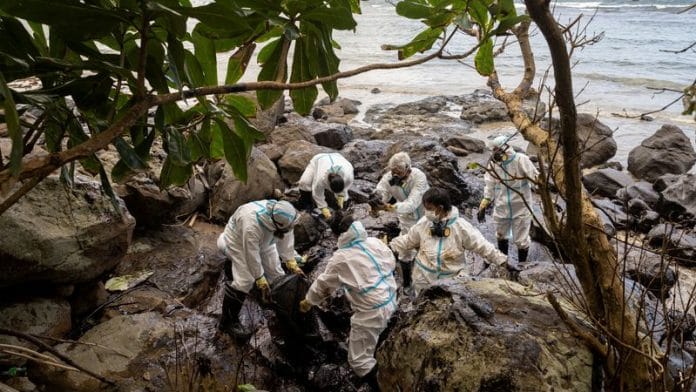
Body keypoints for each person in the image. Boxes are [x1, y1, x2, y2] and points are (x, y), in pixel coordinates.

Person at [299, 214, 397, 387]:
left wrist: (308, 301)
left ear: (338, 235)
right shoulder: (374, 242)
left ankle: (379, 383)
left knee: (358, 361)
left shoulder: (341, 258)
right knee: (376, 330)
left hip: (372, 311)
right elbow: (391, 262)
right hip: (391, 295)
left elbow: (323, 285)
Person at [390, 188, 515, 295]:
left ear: (440, 208)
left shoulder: (460, 227)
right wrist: (390, 246)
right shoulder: (424, 223)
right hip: (423, 278)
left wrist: (503, 261)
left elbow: (482, 246)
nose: (425, 212)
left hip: (451, 281)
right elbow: (408, 240)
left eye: (429, 208)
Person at [217, 199, 305, 339]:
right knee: (246, 280)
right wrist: (260, 278)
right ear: (276, 225)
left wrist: (291, 261)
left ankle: (278, 309)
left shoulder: (283, 215)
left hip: (266, 242)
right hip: (237, 242)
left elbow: (286, 239)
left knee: (278, 277)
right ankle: (227, 323)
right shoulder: (251, 224)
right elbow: (251, 254)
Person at [369, 152, 429, 289]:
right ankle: (407, 283)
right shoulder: (389, 177)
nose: (395, 175)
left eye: (399, 173)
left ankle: (427, 282)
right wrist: (376, 198)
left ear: (408, 168)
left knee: (427, 249)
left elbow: (411, 204)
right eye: (393, 172)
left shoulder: (419, 177)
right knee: (405, 251)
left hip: (426, 217)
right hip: (406, 219)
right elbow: (382, 190)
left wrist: (388, 207)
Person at [478, 135, 539, 263]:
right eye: (493, 150)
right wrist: (485, 201)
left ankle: (522, 266)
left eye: (496, 149)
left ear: (505, 148)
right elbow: (490, 183)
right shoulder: (494, 164)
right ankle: (503, 261)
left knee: (521, 240)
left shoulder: (521, 160)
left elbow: (535, 179)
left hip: (521, 205)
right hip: (502, 205)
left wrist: (544, 195)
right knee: (501, 234)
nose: (494, 153)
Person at [298, 152, 354, 221]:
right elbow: (317, 193)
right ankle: (307, 205)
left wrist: (341, 196)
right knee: (304, 182)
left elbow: (346, 186)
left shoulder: (348, 174)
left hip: (337, 157)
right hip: (318, 161)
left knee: (342, 196)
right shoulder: (321, 178)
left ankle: (338, 202)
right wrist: (323, 207)